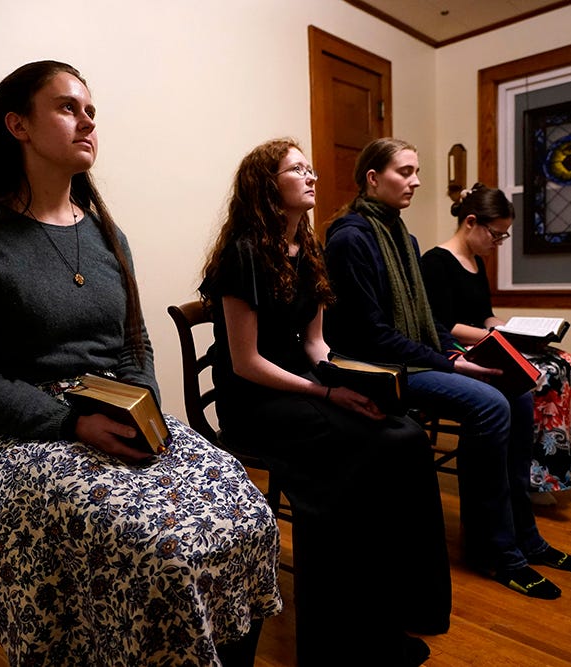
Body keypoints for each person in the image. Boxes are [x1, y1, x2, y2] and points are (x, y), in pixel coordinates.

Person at [0, 61, 281, 667]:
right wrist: (70, 422)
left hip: (110, 410)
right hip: (13, 434)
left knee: (248, 514)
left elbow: (135, 344)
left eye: (91, 111)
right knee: (156, 549)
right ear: (17, 125)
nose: (86, 120)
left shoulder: (109, 234)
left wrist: (143, 408)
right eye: (66, 107)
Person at [199, 138, 449, 666]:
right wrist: (327, 391)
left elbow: (316, 346)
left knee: (401, 432)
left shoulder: (307, 248)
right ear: (267, 186)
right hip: (254, 401)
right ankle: (340, 643)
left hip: (301, 386)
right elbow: (245, 363)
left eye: (310, 168)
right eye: (297, 169)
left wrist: (362, 381)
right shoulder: (243, 253)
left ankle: (398, 611)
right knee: (362, 455)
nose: (311, 176)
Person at [323, 138, 571, 601]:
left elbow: (428, 321)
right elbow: (371, 336)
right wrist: (449, 361)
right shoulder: (350, 238)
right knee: (488, 405)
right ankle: (494, 550)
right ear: (372, 178)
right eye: (405, 171)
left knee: (518, 392)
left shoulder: (404, 236)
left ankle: (525, 534)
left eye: (417, 171)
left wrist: (455, 353)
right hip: (377, 367)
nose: (417, 181)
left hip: (411, 355)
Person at [419, 184, 571, 504]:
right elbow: (442, 325)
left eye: (503, 236)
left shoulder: (476, 262)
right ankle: (530, 474)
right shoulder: (435, 261)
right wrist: (498, 338)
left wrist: (508, 328)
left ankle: (556, 465)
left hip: (487, 340)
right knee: (541, 375)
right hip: (460, 349)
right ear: (470, 222)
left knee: (566, 362)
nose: (498, 242)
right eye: (496, 234)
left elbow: (484, 314)